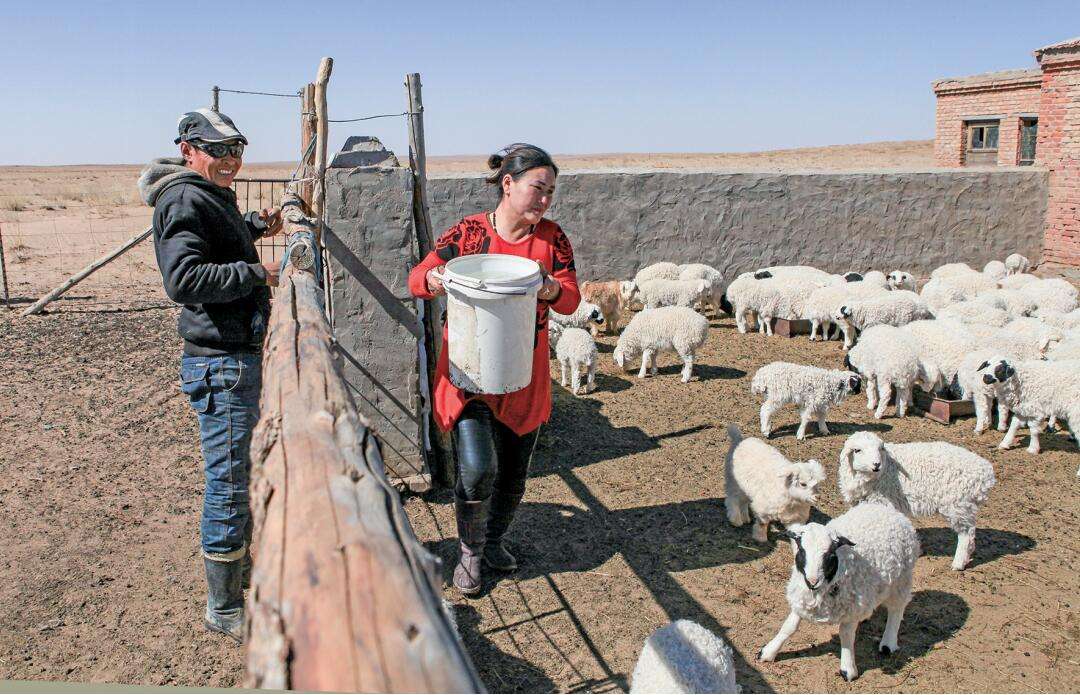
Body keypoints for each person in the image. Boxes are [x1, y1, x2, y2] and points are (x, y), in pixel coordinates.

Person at [408, 143, 581, 595]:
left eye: (550, 193)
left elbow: (570, 298)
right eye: (536, 189)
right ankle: (469, 552)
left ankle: (495, 541)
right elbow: (418, 278)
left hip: (523, 377)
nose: (544, 201)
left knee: (514, 473)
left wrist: (546, 289)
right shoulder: (468, 236)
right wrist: (432, 279)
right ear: (508, 184)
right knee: (479, 466)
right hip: (471, 374)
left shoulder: (552, 241)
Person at [138, 108, 282, 642]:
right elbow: (183, 277)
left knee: (237, 475)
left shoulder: (205, 195)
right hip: (220, 362)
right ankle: (223, 608)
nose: (230, 160)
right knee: (227, 482)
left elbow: (212, 243)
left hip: (231, 355)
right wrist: (257, 270)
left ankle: (237, 579)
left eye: (236, 150)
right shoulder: (182, 197)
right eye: (218, 150)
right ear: (187, 149)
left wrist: (251, 229)